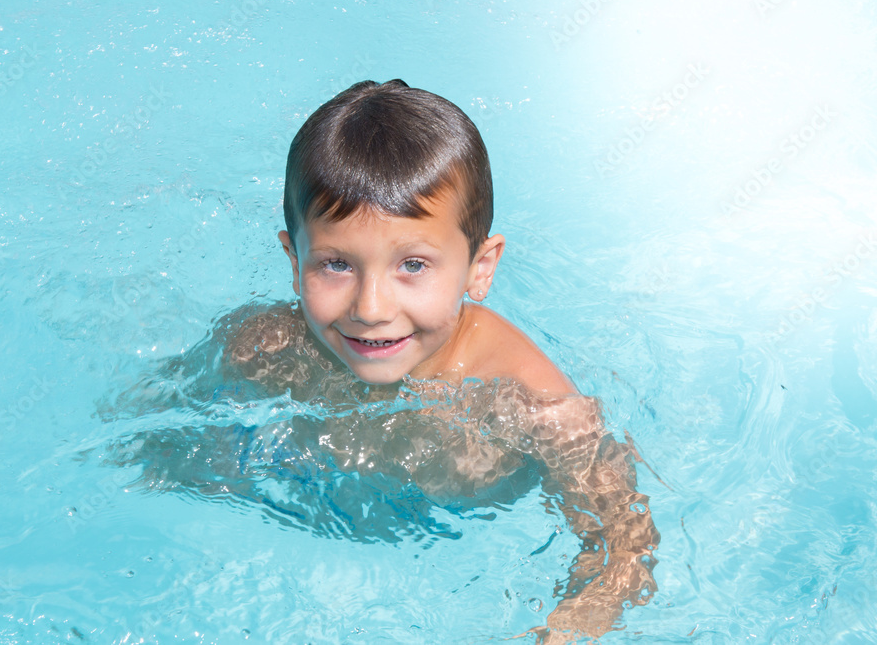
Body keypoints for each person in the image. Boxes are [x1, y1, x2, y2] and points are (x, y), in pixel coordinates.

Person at [112, 79, 659, 643]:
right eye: (336, 265)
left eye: (414, 266)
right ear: (293, 258)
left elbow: (626, 541)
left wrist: (567, 628)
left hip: (456, 540)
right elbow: (143, 430)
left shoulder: (534, 406)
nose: (370, 309)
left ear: (480, 266)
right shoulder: (264, 346)